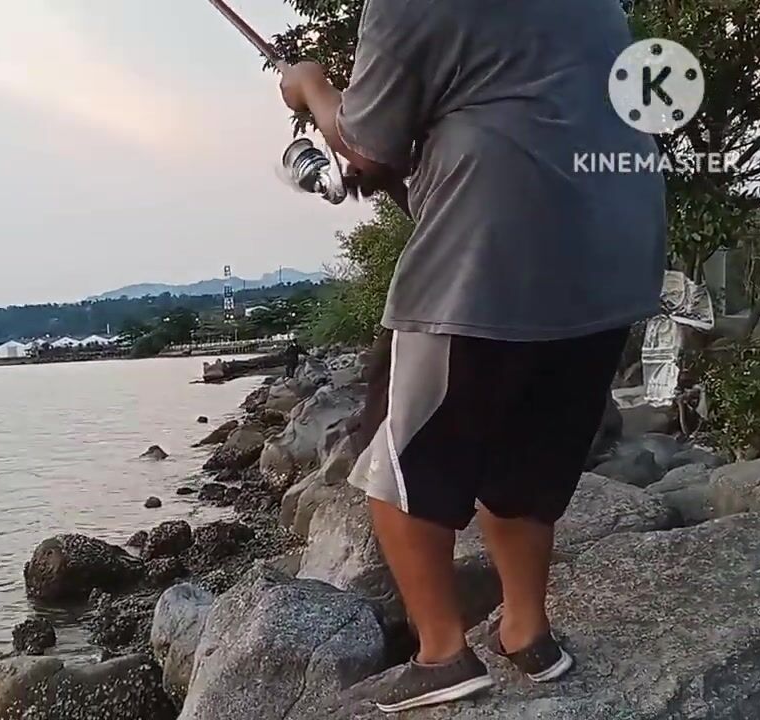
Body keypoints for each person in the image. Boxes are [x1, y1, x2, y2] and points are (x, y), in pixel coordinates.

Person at [278, 0, 665, 712]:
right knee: (532, 451)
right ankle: (527, 632)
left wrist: (309, 85)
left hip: (490, 249)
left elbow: (363, 145)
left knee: (398, 453)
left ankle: (442, 653)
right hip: (616, 244)